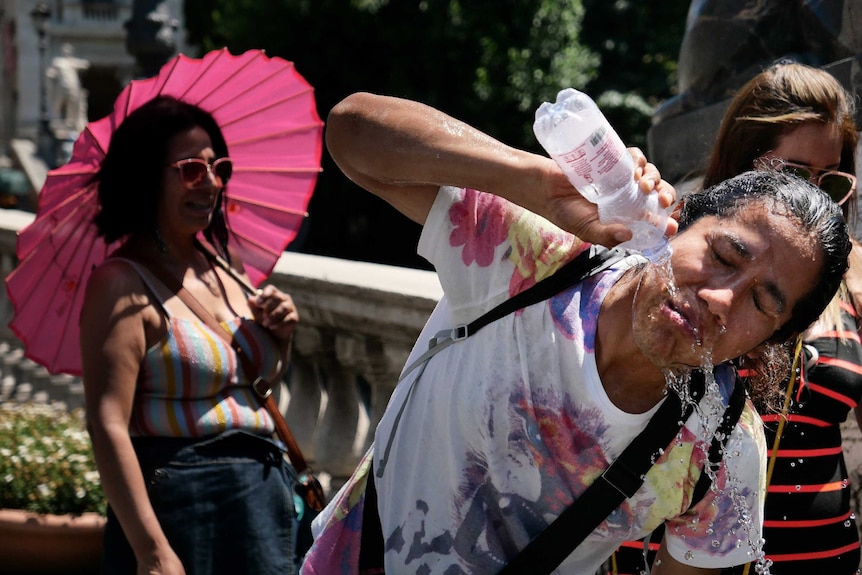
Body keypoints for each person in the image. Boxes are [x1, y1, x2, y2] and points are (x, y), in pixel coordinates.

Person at [300, 91, 851, 575]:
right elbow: (352, 130)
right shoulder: (534, 261)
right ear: (678, 223)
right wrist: (534, 181)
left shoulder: (725, 450)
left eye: (761, 302)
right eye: (724, 254)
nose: (719, 297)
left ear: (771, 339)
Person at [614, 61, 862, 575]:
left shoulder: (858, 276)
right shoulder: (676, 248)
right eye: (795, 174)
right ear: (746, 160)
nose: (813, 196)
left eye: (831, 180)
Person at [80, 96, 301, 574]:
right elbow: (107, 423)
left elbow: (247, 387)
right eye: (191, 170)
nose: (213, 184)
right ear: (144, 178)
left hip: (263, 502)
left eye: (218, 167)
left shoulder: (228, 269)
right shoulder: (120, 284)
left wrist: (280, 338)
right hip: (185, 509)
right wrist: (152, 551)